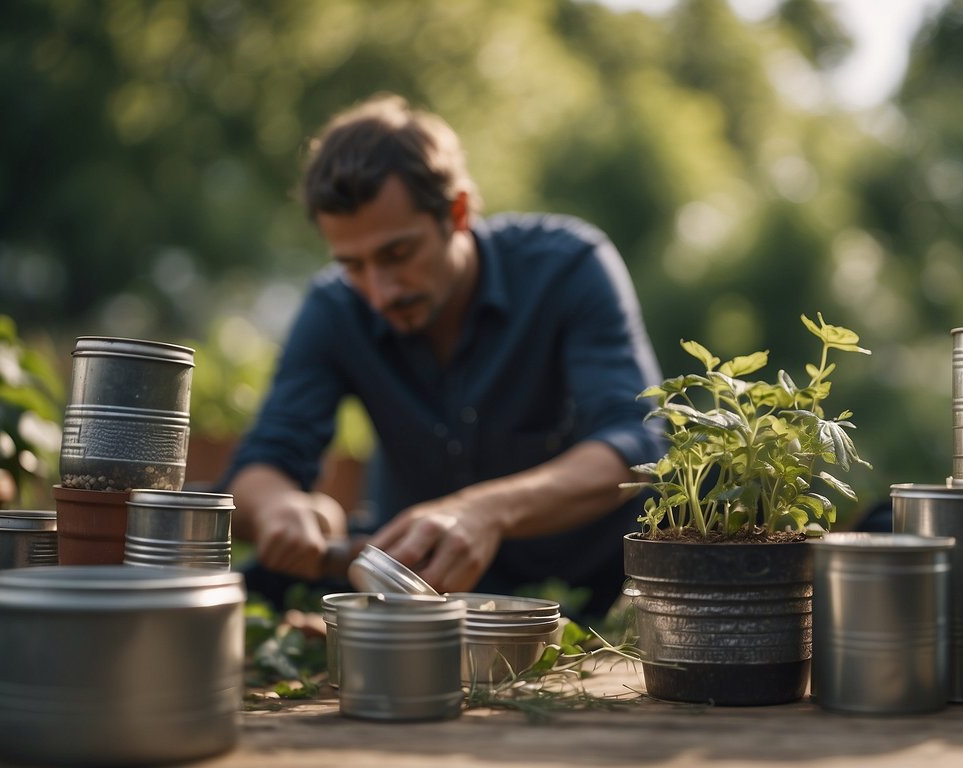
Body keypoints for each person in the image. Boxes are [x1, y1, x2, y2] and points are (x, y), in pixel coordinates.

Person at [225, 93, 665, 618]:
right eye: (353, 264)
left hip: (596, 598)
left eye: (397, 254)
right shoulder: (335, 309)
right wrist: (279, 507)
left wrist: (489, 510)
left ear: (455, 212)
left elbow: (634, 444)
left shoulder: (568, 267)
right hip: (420, 599)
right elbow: (264, 460)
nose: (380, 291)